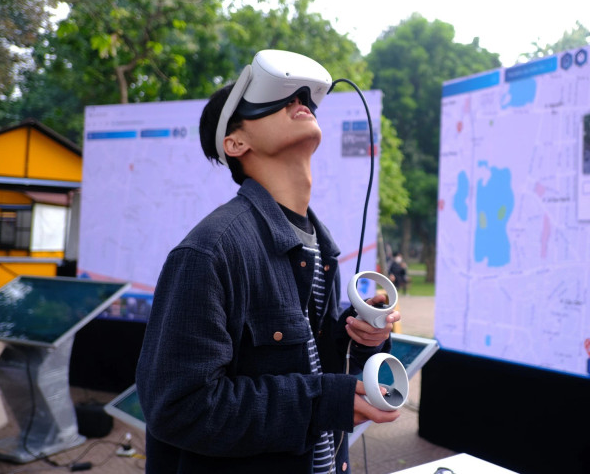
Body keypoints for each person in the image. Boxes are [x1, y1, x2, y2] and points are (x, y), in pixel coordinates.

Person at [135, 50, 401, 474]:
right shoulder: (210, 251)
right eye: (276, 99)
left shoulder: (319, 247)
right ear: (235, 142)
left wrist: (356, 339)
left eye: (305, 99)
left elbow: (308, 363)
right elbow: (177, 408)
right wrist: (321, 402)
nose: (299, 101)